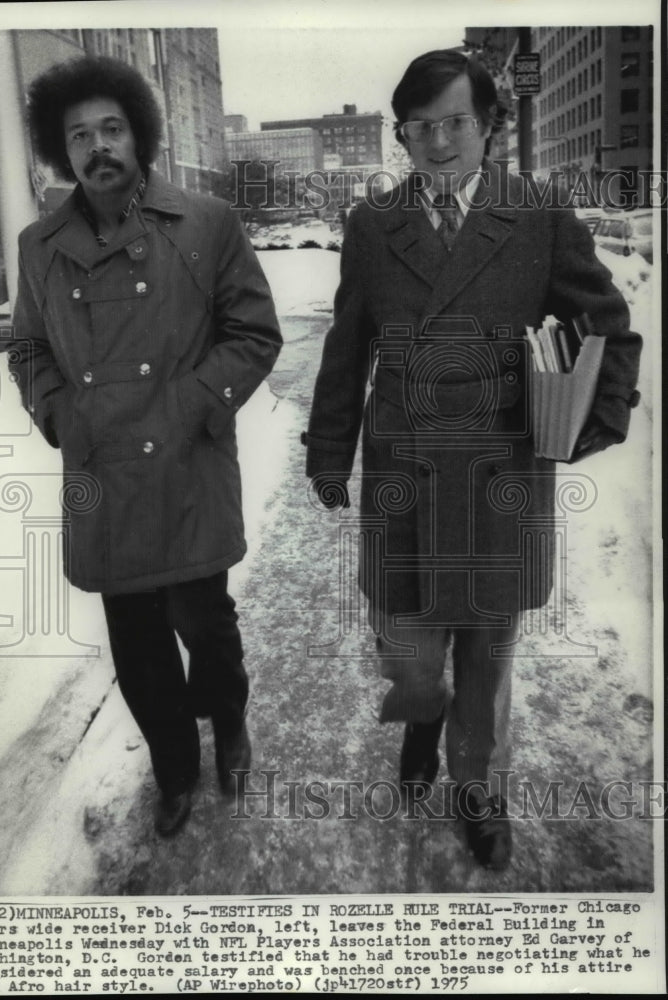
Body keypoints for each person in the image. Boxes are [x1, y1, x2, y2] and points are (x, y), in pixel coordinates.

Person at [303, 49, 641, 870]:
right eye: (422, 128)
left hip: (501, 471)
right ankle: (422, 710)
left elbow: (607, 322)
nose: (440, 142)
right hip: (403, 474)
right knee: (410, 650)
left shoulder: (539, 212)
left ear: (488, 126)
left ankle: (479, 787)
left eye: (457, 122)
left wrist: (591, 419)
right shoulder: (373, 226)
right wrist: (329, 450)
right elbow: (347, 348)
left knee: (488, 654)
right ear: (402, 137)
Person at [10, 56, 282, 837]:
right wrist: (60, 413)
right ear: (61, 150)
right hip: (101, 477)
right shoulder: (39, 244)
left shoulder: (205, 223)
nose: (98, 148)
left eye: (111, 130)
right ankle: (174, 769)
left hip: (187, 467)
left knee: (207, 629)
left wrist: (194, 400)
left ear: (140, 135)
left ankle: (229, 722)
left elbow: (255, 332)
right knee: (138, 651)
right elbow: (27, 350)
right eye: (79, 135)